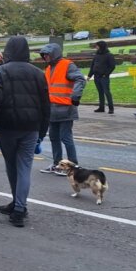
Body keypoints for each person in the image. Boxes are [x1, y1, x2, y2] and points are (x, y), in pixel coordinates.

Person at [0, 37, 50, 227]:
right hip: (31, 126)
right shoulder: (38, 73)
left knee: (11, 166)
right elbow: (45, 104)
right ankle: (19, 206)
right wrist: (43, 129)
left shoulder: (0, 72)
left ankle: (17, 203)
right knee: (24, 167)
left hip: (7, 126)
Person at [38, 43, 86, 174]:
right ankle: (57, 164)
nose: (46, 57)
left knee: (65, 137)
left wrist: (75, 96)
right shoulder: (49, 68)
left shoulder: (67, 65)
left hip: (65, 108)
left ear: (54, 54)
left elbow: (80, 79)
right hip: (52, 109)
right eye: (44, 55)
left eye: (47, 54)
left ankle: (73, 165)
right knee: (54, 137)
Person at [88, 41, 117, 114]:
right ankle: (101, 107)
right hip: (96, 76)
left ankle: (111, 108)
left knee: (107, 92)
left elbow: (112, 66)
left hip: (104, 77)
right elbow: (93, 66)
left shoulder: (109, 55)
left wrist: (106, 74)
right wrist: (89, 75)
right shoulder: (97, 55)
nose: (96, 47)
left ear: (101, 46)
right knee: (100, 92)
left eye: (97, 46)